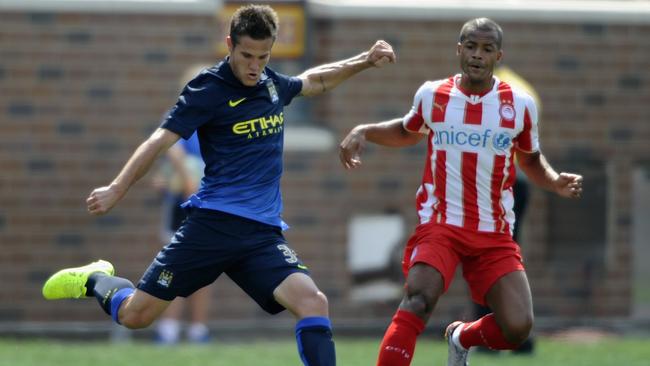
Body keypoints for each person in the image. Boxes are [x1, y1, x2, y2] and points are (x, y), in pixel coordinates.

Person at [42, 5, 395, 366]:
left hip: (261, 235)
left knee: (313, 301)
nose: (254, 66)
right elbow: (159, 141)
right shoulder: (206, 89)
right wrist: (117, 188)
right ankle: (96, 278)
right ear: (229, 44)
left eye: (263, 55)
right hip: (211, 226)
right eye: (246, 55)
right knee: (136, 316)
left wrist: (365, 60)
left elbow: (315, 80)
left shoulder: (271, 83)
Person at [338, 18, 582, 366]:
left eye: (486, 49)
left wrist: (554, 180)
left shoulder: (520, 104)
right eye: (470, 46)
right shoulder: (433, 95)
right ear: (458, 49)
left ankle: (460, 336)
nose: (477, 55)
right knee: (418, 299)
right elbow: (408, 131)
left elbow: (530, 159)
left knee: (518, 327)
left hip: (493, 231)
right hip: (442, 224)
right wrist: (365, 130)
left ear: (499, 54)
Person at [154, 131, 212, 344]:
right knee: (172, 265)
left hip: (209, 201)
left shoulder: (223, 111)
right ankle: (168, 330)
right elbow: (172, 150)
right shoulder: (181, 111)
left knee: (205, 267)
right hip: (181, 205)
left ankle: (198, 330)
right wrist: (182, 179)